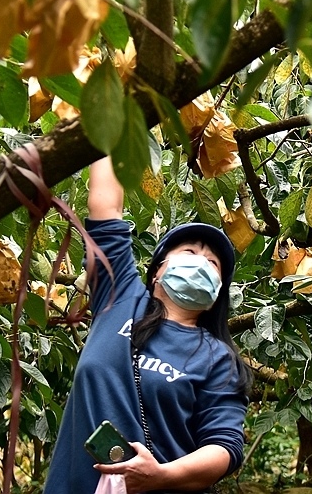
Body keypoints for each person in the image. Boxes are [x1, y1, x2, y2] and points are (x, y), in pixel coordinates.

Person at [44, 157, 251, 494]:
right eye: (188, 251)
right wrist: (111, 121)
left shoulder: (217, 359)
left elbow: (224, 447)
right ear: (157, 270)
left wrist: (162, 475)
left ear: (217, 295)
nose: (200, 262)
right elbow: (106, 205)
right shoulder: (120, 298)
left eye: (212, 263)